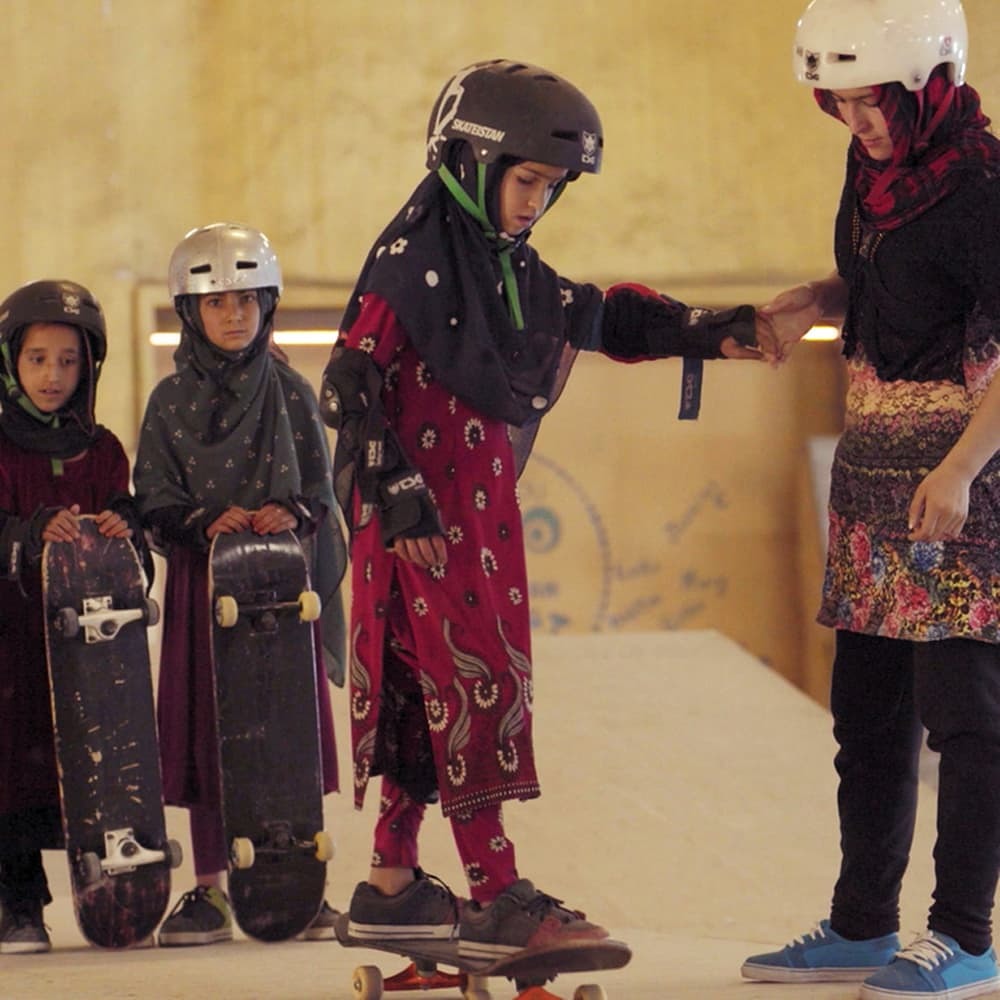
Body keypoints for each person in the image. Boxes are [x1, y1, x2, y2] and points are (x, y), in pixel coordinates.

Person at [320, 57, 770, 958]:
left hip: (470, 522)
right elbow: (347, 381)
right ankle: (495, 894)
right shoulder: (411, 265)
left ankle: (391, 884)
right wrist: (401, 494)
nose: (535, 202)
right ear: (469, 162)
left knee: (425, 692)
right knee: (474, 684)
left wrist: (723, 330)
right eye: (526, 180)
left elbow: (594, 317)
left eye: (550, 187)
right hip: (424, 527)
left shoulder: (502, 271)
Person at [740, 2, 1000, 998]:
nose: (862, 124)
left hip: (960, 484)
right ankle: (860, 922)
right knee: (868, 714)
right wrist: (816, 297)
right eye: (840, 106)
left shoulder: (981, 184)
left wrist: (962, 469)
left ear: (928, 87)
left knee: (966, 718)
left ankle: (963, 934)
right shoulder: (874, 173)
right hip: (871, 478)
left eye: (877, 104)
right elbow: (891, 289)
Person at [134, 223, 347, 946]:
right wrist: (202, 520)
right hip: (206, 594)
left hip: (284, 600)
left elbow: (320, 489)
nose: (234, 315)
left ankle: (297, 886)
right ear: (191, 313)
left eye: (247, 301)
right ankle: (209, 892)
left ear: (269, 306)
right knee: (211, 736)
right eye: (217, 302)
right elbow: (153, 498)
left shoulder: (289, 390)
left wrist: (289, 510)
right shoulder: (168, 403)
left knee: (284, 733)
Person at [0, 280, 147, 953]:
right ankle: (19, 904)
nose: (52, 375)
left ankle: (107, 889)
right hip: (13, 648)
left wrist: (125, 525)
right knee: (11, 767)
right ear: (10, 362)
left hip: (91, 653)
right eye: (36, 359)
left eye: (67, 361)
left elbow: (131, 530)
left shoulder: (104, 447)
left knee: (95, 766)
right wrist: (28, 534)